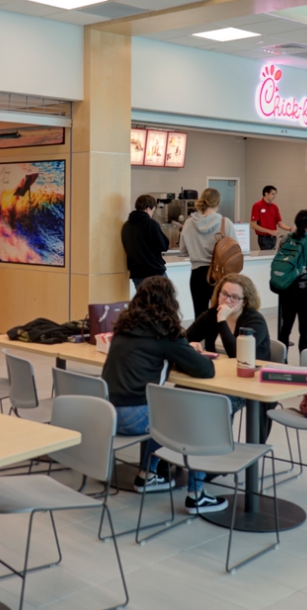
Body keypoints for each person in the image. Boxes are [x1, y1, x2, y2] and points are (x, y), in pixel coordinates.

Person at [100, 276, 223, 514]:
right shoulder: (164, 334)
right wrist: (183, 352)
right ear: (170, 302)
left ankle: (147, 476)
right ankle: (197, 495)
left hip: (105, 414)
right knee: (192, 415)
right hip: (134, 417)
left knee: (163, 406)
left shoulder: (123, 329)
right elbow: (205, 370)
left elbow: (148, 358)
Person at [185, 274, 274, 442]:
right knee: (181, 392)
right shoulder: (211, 315)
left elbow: (237, 355)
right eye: (224, 294)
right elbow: (185, 336)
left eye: (234, 297)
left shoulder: (255, 321)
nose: (227, 300)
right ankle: (180, 450)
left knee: (218, 404)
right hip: (218, 378)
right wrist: (191, 344)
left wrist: (222, 320)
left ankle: (216, 456)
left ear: (245, 301)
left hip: (248, 383)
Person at [274, 210, 307, 354]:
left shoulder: (285, 239)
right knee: (305, 331)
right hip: (305, 290)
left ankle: (281, 359)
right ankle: (304, 363)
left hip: (286, 288)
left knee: (285, 327)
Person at [180, 188, 236, 317]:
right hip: (218, 274)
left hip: (197, 274)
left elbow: (183, 250)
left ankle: (198, 338)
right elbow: (234, 250)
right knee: (219, 314)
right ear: (218, 202)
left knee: (199, 315)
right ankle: (211, 338)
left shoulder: (188, 223)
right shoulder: (225, 223)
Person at [122, 193, 170, 290]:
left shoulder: (127, 225)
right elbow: (163, 245)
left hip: (136, 273)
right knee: (163, 301)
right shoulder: (151, 224)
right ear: (148, 208)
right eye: (153, 210)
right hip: (154, 272)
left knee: (144, 302)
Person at [249, 185, 291, 252]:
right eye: (272, 194)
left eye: (275, 194)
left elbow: (280, 223)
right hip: (264, 237)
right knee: (267, 255)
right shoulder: (257, 205)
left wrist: (290, 229)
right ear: (266, 194)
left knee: (272, 255)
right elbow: (253, 225)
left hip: (273, 237)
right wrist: (269, 231)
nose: (274, 196)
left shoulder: (274, 207)